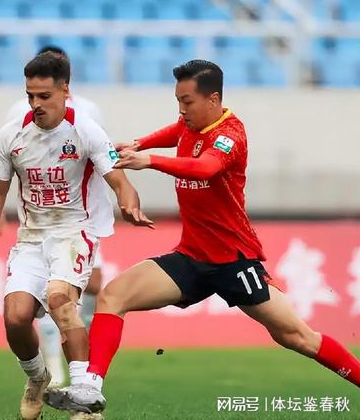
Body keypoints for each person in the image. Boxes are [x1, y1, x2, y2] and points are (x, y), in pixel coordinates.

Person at [44, 59, 360, 416]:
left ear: (213, 100)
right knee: (113, 296)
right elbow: (176, 131)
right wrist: (136, 143)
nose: (182, 110)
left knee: (296, 337)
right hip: (192, 258)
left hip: (233, 263)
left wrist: (150, 160)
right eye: (178, 101)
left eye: (187, 102)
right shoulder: (191, 123)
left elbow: (206, 167)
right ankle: (90, 389)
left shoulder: (231, 134)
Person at [0, 52, 152, 420]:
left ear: (65, 91)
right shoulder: (11, 136)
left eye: (44, 96)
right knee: (16, 317)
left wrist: (129, 204)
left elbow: (120, 181)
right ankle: (37, 378)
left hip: (75, 231)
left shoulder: (86, 131)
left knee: (61, 299)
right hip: (31, 237)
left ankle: (85, 398)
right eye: (30, 96)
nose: (36, 104)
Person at [0, 45, 110, 387]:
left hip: (80, 218)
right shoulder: (19, 115)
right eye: (32, 94)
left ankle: (80, 364)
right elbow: (16, 162)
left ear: (64, 82)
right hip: (38, 223)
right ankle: (51, 362)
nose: (37, 102)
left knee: (90, 286)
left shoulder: (88, 113)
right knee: (43, 301)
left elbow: (100, 158)